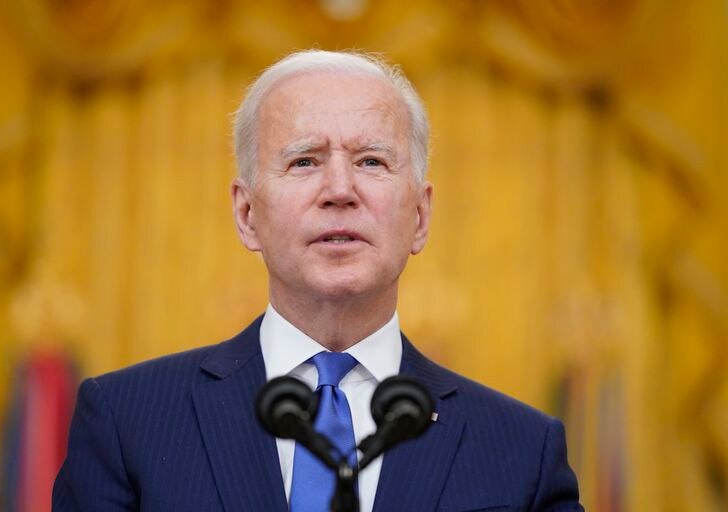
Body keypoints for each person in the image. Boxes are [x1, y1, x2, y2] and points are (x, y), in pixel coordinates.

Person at [53, 50, 583, 511]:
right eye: (304, 161)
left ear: (419, 217)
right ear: (246, 214)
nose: (339, 189)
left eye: (371, 161)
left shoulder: (522, 449)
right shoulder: (127, 423)